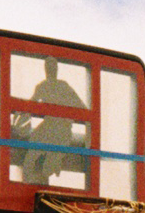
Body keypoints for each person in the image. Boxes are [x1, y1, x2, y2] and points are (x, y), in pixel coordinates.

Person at [11, 56, 90, 186]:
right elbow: (30, 105)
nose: (51, 70)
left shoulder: (61, 86)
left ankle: (47, 167)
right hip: (52, 129)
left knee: (39, 159)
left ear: (55, 70)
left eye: (52, 67)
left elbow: (83, 109)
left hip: (60, 131)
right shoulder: (44, 86)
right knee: (31, 156)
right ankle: (28, 183)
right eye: (49, 67)